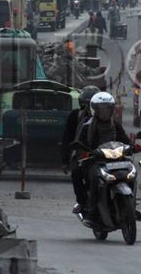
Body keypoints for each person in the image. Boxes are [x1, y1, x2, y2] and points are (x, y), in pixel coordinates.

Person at [77, 92, 133, 225]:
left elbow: (125, 140)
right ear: (94, 110)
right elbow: (80, 143)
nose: (104, 113)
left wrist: (131, 147)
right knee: (96, 179)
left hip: (116, 160)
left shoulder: (116, 125)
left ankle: (132, 206)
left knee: (131, 172)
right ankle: (91, 211)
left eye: (107, 109)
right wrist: (86, 152)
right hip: (96, 161)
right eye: (101, 109)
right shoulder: (87, 126)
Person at [61, 86, 100, 215]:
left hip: (105, 153)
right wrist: (65, 160)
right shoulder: (75, 116)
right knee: (77, 172)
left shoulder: (107, 118)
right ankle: (83, 202)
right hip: (84, 154)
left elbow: (119, 135)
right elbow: (67, 138)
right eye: (87, 105)